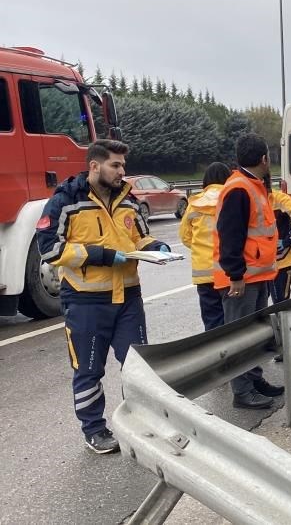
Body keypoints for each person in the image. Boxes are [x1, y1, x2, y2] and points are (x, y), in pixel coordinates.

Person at [36, 139, 170, 454]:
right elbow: (50, 248)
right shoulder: (65, 201)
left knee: (139, 366)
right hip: (85, 302)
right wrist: (101, 255)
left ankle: (141, 422)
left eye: (124, 165)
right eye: (115, 165)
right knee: (89, 369)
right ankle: (94, 430)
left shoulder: (128, 199)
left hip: (128, 299)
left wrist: (153, 247)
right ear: (94, 166)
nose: (122, 172)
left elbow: (139, 235)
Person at [214, 133, 284, 409]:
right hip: (241, 280)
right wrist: (236, 275)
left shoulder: (253, 185)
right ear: (264, 159)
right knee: (240, 336)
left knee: (253, 335)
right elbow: (229, 235)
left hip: (256, 276)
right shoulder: (239, 188)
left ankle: (254, 380)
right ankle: (241, 391)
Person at [180, 162, 232, 331]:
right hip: (229, 270)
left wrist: (201, 248)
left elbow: (185, 237)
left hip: (204, 274)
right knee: (233, 320)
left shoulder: (195, 203)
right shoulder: (232, 198)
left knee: (212, 322)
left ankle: (216, 355)